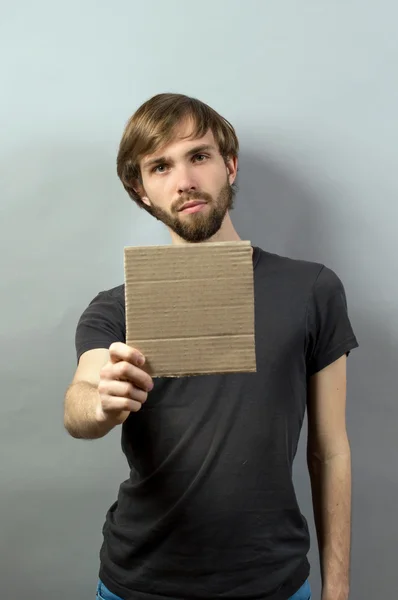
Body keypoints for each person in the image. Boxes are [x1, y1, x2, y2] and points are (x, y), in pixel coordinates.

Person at [64, 93, 359, 600]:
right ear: (141, 191)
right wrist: (102, 401)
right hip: (139, 583)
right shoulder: (117, 306)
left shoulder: (311, 289)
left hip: (273, 582)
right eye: (160, 167)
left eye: (198, 156)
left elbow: (330, 452)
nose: (184, 182)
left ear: (230, 164)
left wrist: (338, 590)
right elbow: (80, 402)